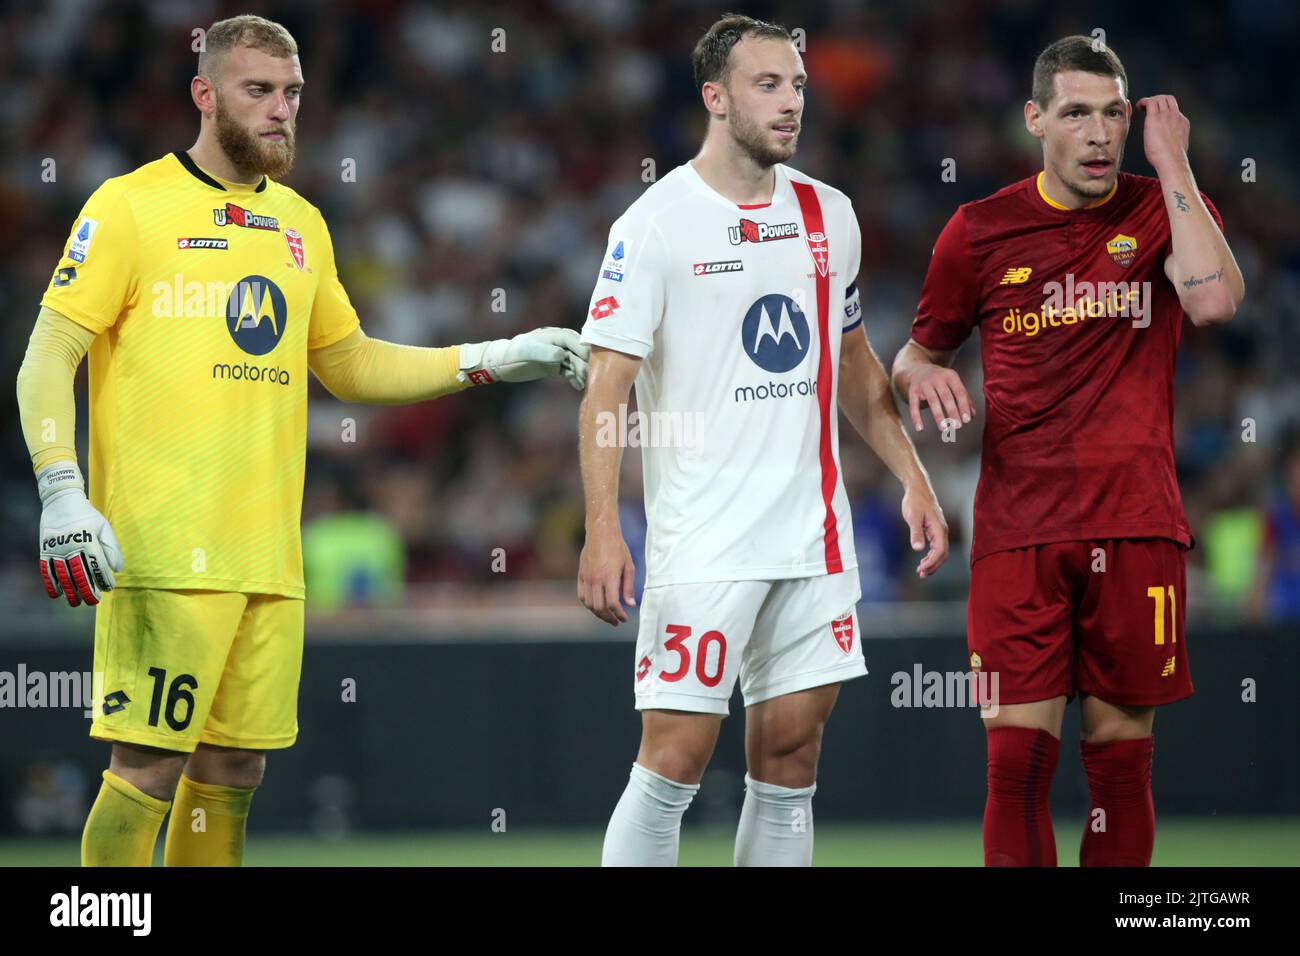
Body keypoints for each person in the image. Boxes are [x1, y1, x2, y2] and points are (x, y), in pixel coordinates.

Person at [16, 14, 588, 867]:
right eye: (259, 91)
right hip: (165, 549)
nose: (282, 110)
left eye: (292, 94)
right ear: (205, 96)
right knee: (147, 765)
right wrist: (62, 487)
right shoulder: (129, 207)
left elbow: (350, 364)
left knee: (232, 770)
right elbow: (48, 352)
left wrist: (494, 357)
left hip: (269, 559)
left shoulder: (301, 226)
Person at [577, 14, 947, 867]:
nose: (791, 104)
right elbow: (607, 388)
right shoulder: (654, 224)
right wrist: (602, 525)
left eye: (799, 86)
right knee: (672, 762)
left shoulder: (830, 215)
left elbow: (853, 365)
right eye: (767, 85)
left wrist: (912, 477)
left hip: (813, 537)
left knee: (790, 763)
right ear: (715, 97)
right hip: (703, 538)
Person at [892, 35, 1243, 866]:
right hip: (1018, 532)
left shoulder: (1163, 209)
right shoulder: (977, 231)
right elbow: (919, 350)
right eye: (1076, 113)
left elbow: (1218, 303)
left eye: (1113, 114)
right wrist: (919, 377)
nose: (1097, 133)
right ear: (1035, 120)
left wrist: (1174, 166)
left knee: (1121, 771)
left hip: (1136, 525)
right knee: (1014, 771)